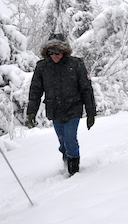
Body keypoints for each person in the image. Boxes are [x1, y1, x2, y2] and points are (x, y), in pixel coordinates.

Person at [26, 33, 96, 175]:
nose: (55, 56)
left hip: (73, 108)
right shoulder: (42, 67)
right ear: (47, 52)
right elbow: (35, 90)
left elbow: (86, 89)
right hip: (54, 110)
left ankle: (73, 171)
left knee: (70, 138)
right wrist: (31, 111)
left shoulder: (76, 64)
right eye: (52, 53)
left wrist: (91, 113)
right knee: (63, 142)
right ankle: (66, 164)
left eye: (59, 53)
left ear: (64, 52)